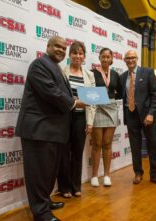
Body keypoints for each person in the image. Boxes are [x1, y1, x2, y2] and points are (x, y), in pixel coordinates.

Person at [16, 36, 86, 221]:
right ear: (47, 47)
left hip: (52, 131)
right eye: (57, 46)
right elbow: (51, 92)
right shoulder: (39, 64)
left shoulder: (55, 67)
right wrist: (74, 103)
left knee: (48, 172)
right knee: (39, 173)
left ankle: (44, 201)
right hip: (39, 130)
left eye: (64, 48)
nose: (61, 50)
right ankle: (41, 213)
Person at [120, 50, 156, 187]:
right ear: (124, 60)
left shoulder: (147, 72)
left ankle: (155, 175)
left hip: (148, 116)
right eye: (128, 58)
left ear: (137, 58)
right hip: (131, 115)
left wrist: (152, 113)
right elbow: (119, 94)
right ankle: (138, 173)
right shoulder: (123, 77)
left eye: (133, 57)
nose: (130, 60)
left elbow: (154, 94)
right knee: (135, 146)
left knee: (153, 145)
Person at [57, 41, 96, 198]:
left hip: (81, 117)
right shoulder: (61, 72)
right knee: (64, 153)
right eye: (75, 53)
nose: (78, 56)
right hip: (64, 117)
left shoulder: (89, 75)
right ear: (70, 55)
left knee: (78, 153)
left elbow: (92, 100)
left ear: (84, 56)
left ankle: (76, 186)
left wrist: (90, 121)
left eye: (80, 53)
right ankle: (64, 188)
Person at [90, 47, 122, 187]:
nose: (105, 59)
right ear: (99, 58)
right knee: (97, 144)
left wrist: (112, 101)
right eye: (103, 56)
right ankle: (94, 176)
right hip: (97, 108)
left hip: (111, 108)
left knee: (107, 143)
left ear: (111, 59)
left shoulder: (115, 74)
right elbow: (89, 91)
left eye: (108, 57)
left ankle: (107, 175)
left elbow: (119, 92)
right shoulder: (92, 73)